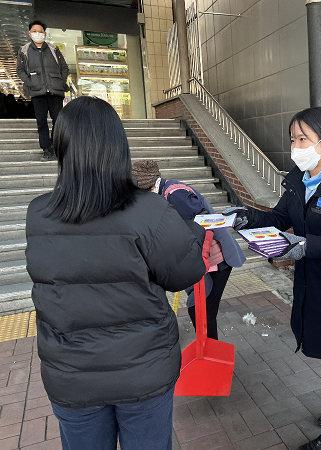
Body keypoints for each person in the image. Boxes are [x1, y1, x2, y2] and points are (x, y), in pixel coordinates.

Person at [25, 97, 210, 450]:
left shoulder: (38, 214)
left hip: (71, 376)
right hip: (144, 372)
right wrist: (195, 233)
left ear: (63, 147)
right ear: (118, 146)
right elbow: (184, 273)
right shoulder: (149, 211)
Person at [224, 107, 321, 450]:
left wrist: (307, 246)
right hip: (311, 288)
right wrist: (244, 217)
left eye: (302, 139)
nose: (295, 146)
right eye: (292, 139)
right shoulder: (299, 181)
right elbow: (278, 216)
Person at [131, 159, 246, 339]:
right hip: (199, 261)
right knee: (200, 311)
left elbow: (202, 227)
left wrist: (191, 261)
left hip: (215, 259)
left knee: (203, 312)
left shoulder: (176, 194)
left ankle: (211, 358)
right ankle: (209, 353)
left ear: (149, 186)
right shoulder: (161, 194)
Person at [16, 20, 69, 162]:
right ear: (29, 33)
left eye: (40, 31)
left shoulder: (53, 49)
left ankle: (56, 147)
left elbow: (64, 67)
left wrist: (61, 82)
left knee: (58, 121)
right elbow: (20, 70)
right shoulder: (24, 50)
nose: (37, 33)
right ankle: (46, 149)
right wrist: (30, 82)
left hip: (55, 91)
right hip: (37, 92)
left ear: (44, 34)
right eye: (34, 31)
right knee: (41, 122)